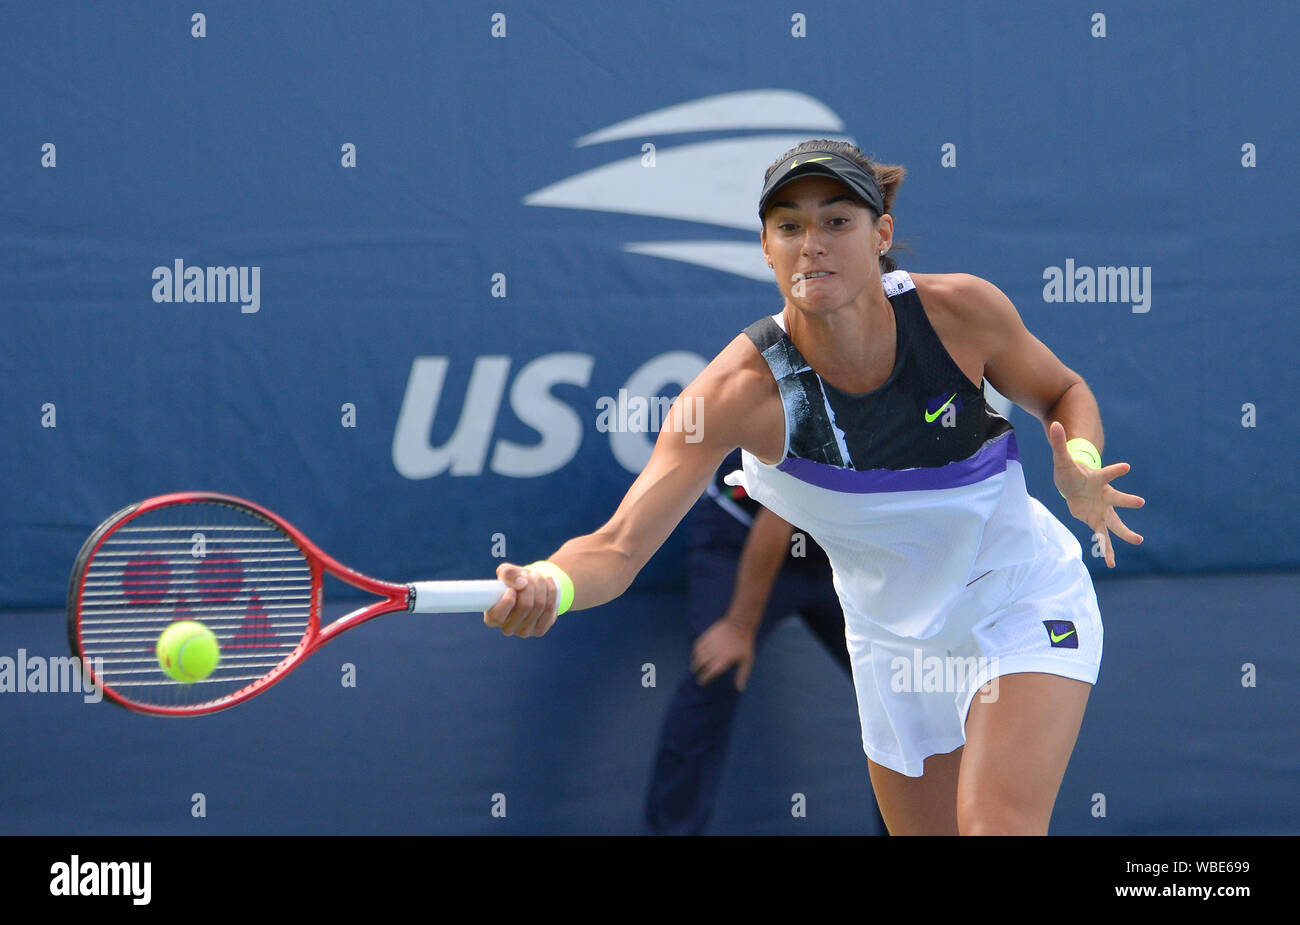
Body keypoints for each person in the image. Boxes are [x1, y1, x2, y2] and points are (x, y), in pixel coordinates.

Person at [484, 139, 1145, 835]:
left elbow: (1063, 390)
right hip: (894, 643)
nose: (811, 245)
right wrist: (548, 583)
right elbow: (616, 551)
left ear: (881, 234)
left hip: (1020, 595)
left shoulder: (960, 314)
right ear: (765, 247)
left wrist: (1076, 456)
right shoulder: (736, 392)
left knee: (994, 826)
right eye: (789, 226)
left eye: (837, 221)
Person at [643, 448, 884, 835]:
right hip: (740, 536)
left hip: (835, 552)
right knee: (719, 669)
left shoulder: (927, 412)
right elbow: (778, 518)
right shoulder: (818, 401)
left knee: (900, 692)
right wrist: (738, 627)